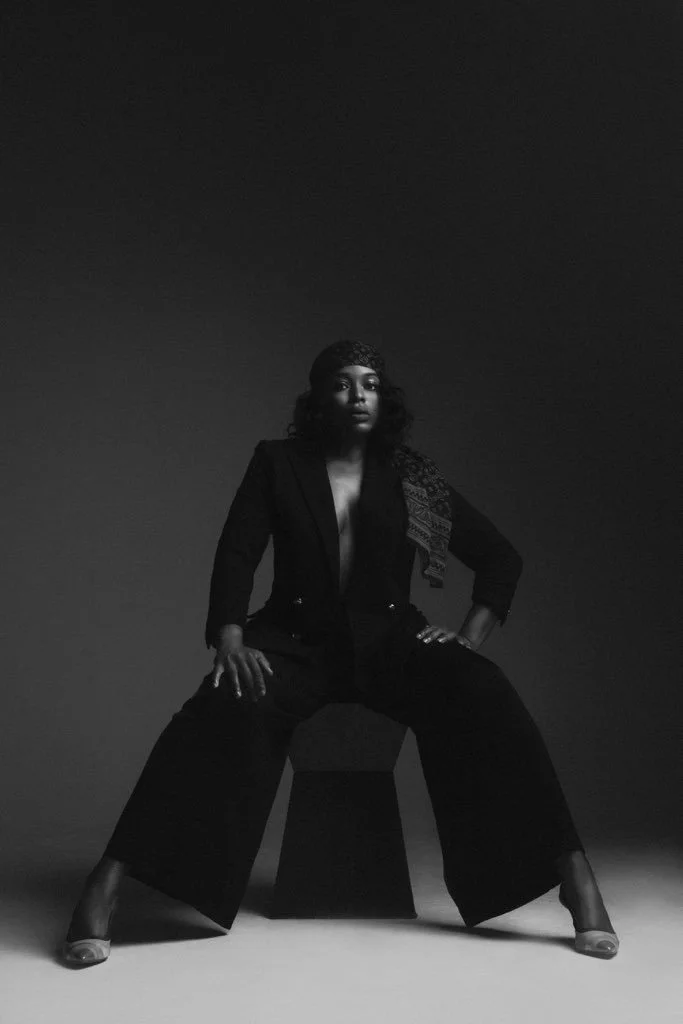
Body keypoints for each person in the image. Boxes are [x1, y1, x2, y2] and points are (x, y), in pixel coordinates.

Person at [61, 340, 619, 966]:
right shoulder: (277, 462)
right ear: (319, 399)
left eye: (371, 383)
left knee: (483, 689)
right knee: (215, 707)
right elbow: (238, 551)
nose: (358, 395)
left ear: (385, 400)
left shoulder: (413, 477)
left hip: (391, 644)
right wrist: (229, 634)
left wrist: (468, 636)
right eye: (343, 383)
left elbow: (499, 559)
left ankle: (573, 875)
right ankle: (108, 882)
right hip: (295, 644)